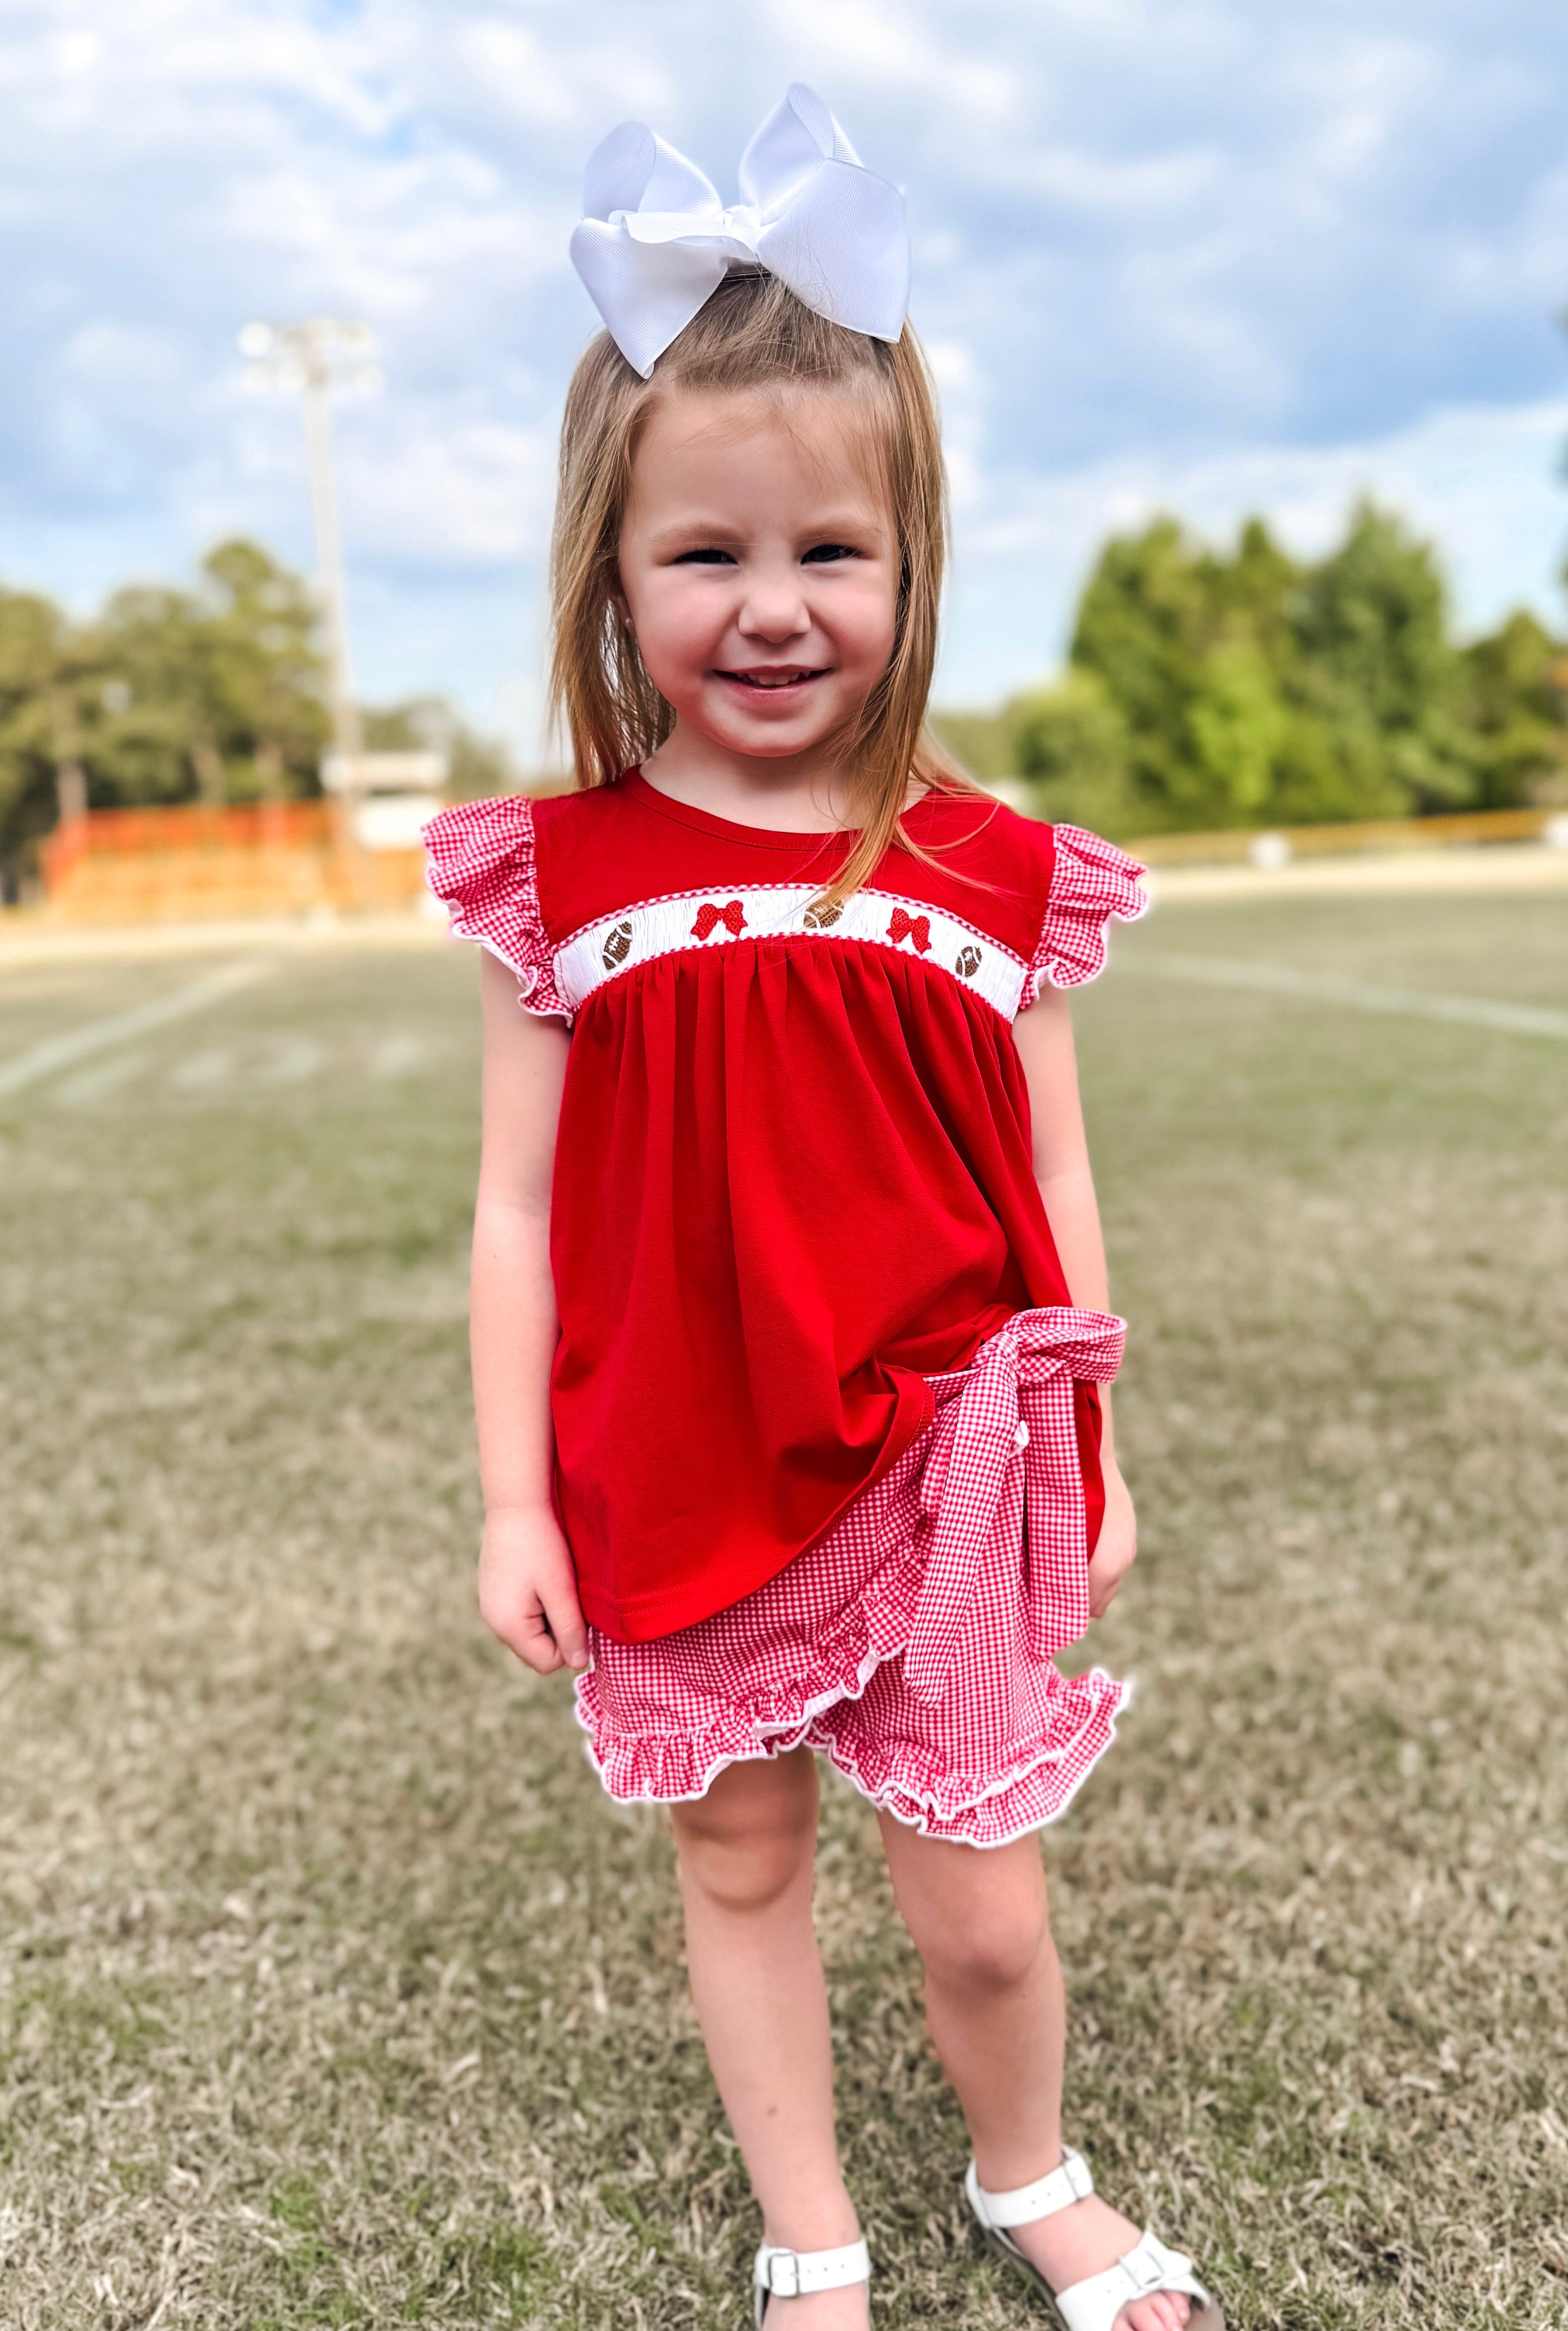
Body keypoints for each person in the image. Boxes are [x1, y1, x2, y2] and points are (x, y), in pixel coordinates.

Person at [425, 86, 1223, 2331]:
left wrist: (1092, 1434)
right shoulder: (555, 883)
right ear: (610, 567)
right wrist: (512, 1497)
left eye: (826, 555)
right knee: (740, 1841)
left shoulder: (986, 863)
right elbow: (515, 1215)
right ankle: (814, 2241)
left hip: (951, 1447)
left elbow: (1051, 1169)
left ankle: (1027, 2171)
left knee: (976, 1901)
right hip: (675, 1451)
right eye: (703, 556)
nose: (768, 608)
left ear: (912, 557)